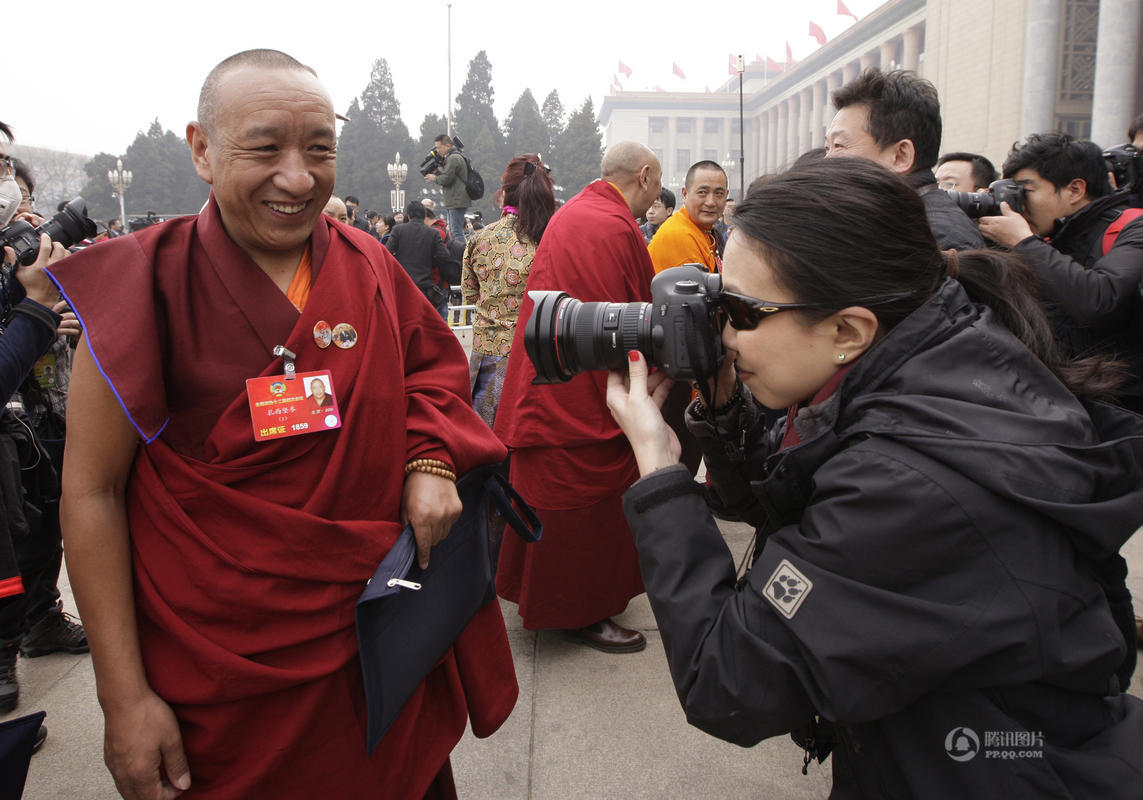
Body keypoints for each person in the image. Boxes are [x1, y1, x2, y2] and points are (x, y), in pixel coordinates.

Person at [48, 49, 517, 800]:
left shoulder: (366, 263)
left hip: (377, 642)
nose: (297, 178)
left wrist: (429, 461)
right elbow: (93, 493)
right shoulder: (142, 283)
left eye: (319, 150)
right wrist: (122, 699)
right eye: (264, 148)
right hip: (223, 674)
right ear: (202, 148)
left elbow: (432, 373)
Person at [605, 156, 1143, 797]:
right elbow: (786, 500)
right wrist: (722, 408)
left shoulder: (909, 480)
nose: (724, 336)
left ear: (847, 329)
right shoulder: (932, 366)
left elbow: (728, 680)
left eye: (743, 313)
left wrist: (661, 472)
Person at [493, 141, 661, 653]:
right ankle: (578, 610)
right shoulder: (609, 223)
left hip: (553, 378)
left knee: (563, 502)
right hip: (573, 389)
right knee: (580, 506)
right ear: (647, 175)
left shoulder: (583, 212)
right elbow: (637, 311)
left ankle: (565, 599)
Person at [978, 132, 1143, 413]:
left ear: (1075, 190)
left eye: (1025, 190)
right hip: (1063, 403)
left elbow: (1100, 301)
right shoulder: (1048, 238)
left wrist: (1023, 242)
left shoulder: (1132, 228)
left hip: (1124, 412)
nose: (1019, 203)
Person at [826, 68, 986, 251]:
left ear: (900, 156)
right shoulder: (893, 222)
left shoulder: (938, 240)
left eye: (839, 145)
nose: (826, 161)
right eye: (827, 147)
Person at [462, 154, 555, 428]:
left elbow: (470, 293)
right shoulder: (549, 239)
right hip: (537, 359)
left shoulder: (480, 239)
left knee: (487, 441)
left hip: (487, 357)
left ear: (504, 194)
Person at [648, 160, 727, 274]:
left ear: (726, 195)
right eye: (702, 192)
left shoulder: (706, 231)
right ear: (685, 194)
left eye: (719, 193)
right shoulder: (678, 235)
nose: (711, 202)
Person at [385, 200, 455, 319]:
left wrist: (398, 264)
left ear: (409, 215)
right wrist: (431, 263)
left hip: (403, 286)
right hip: (424, 285)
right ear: (424, 215)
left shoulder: (398, 230)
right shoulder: (432, 233)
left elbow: (386, 253)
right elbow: (445, 256)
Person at [424, 134, 469, 243]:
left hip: (456, 199)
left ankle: (461, 256)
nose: (437, 151)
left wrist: (434, 178)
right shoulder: (453, 157)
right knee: (454, 231)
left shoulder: (453, 158)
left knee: (456, 231)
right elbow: (449, 176)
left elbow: (446, 179)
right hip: (454, 199)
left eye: (439, 147)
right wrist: (438, 173)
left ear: (447, 145)